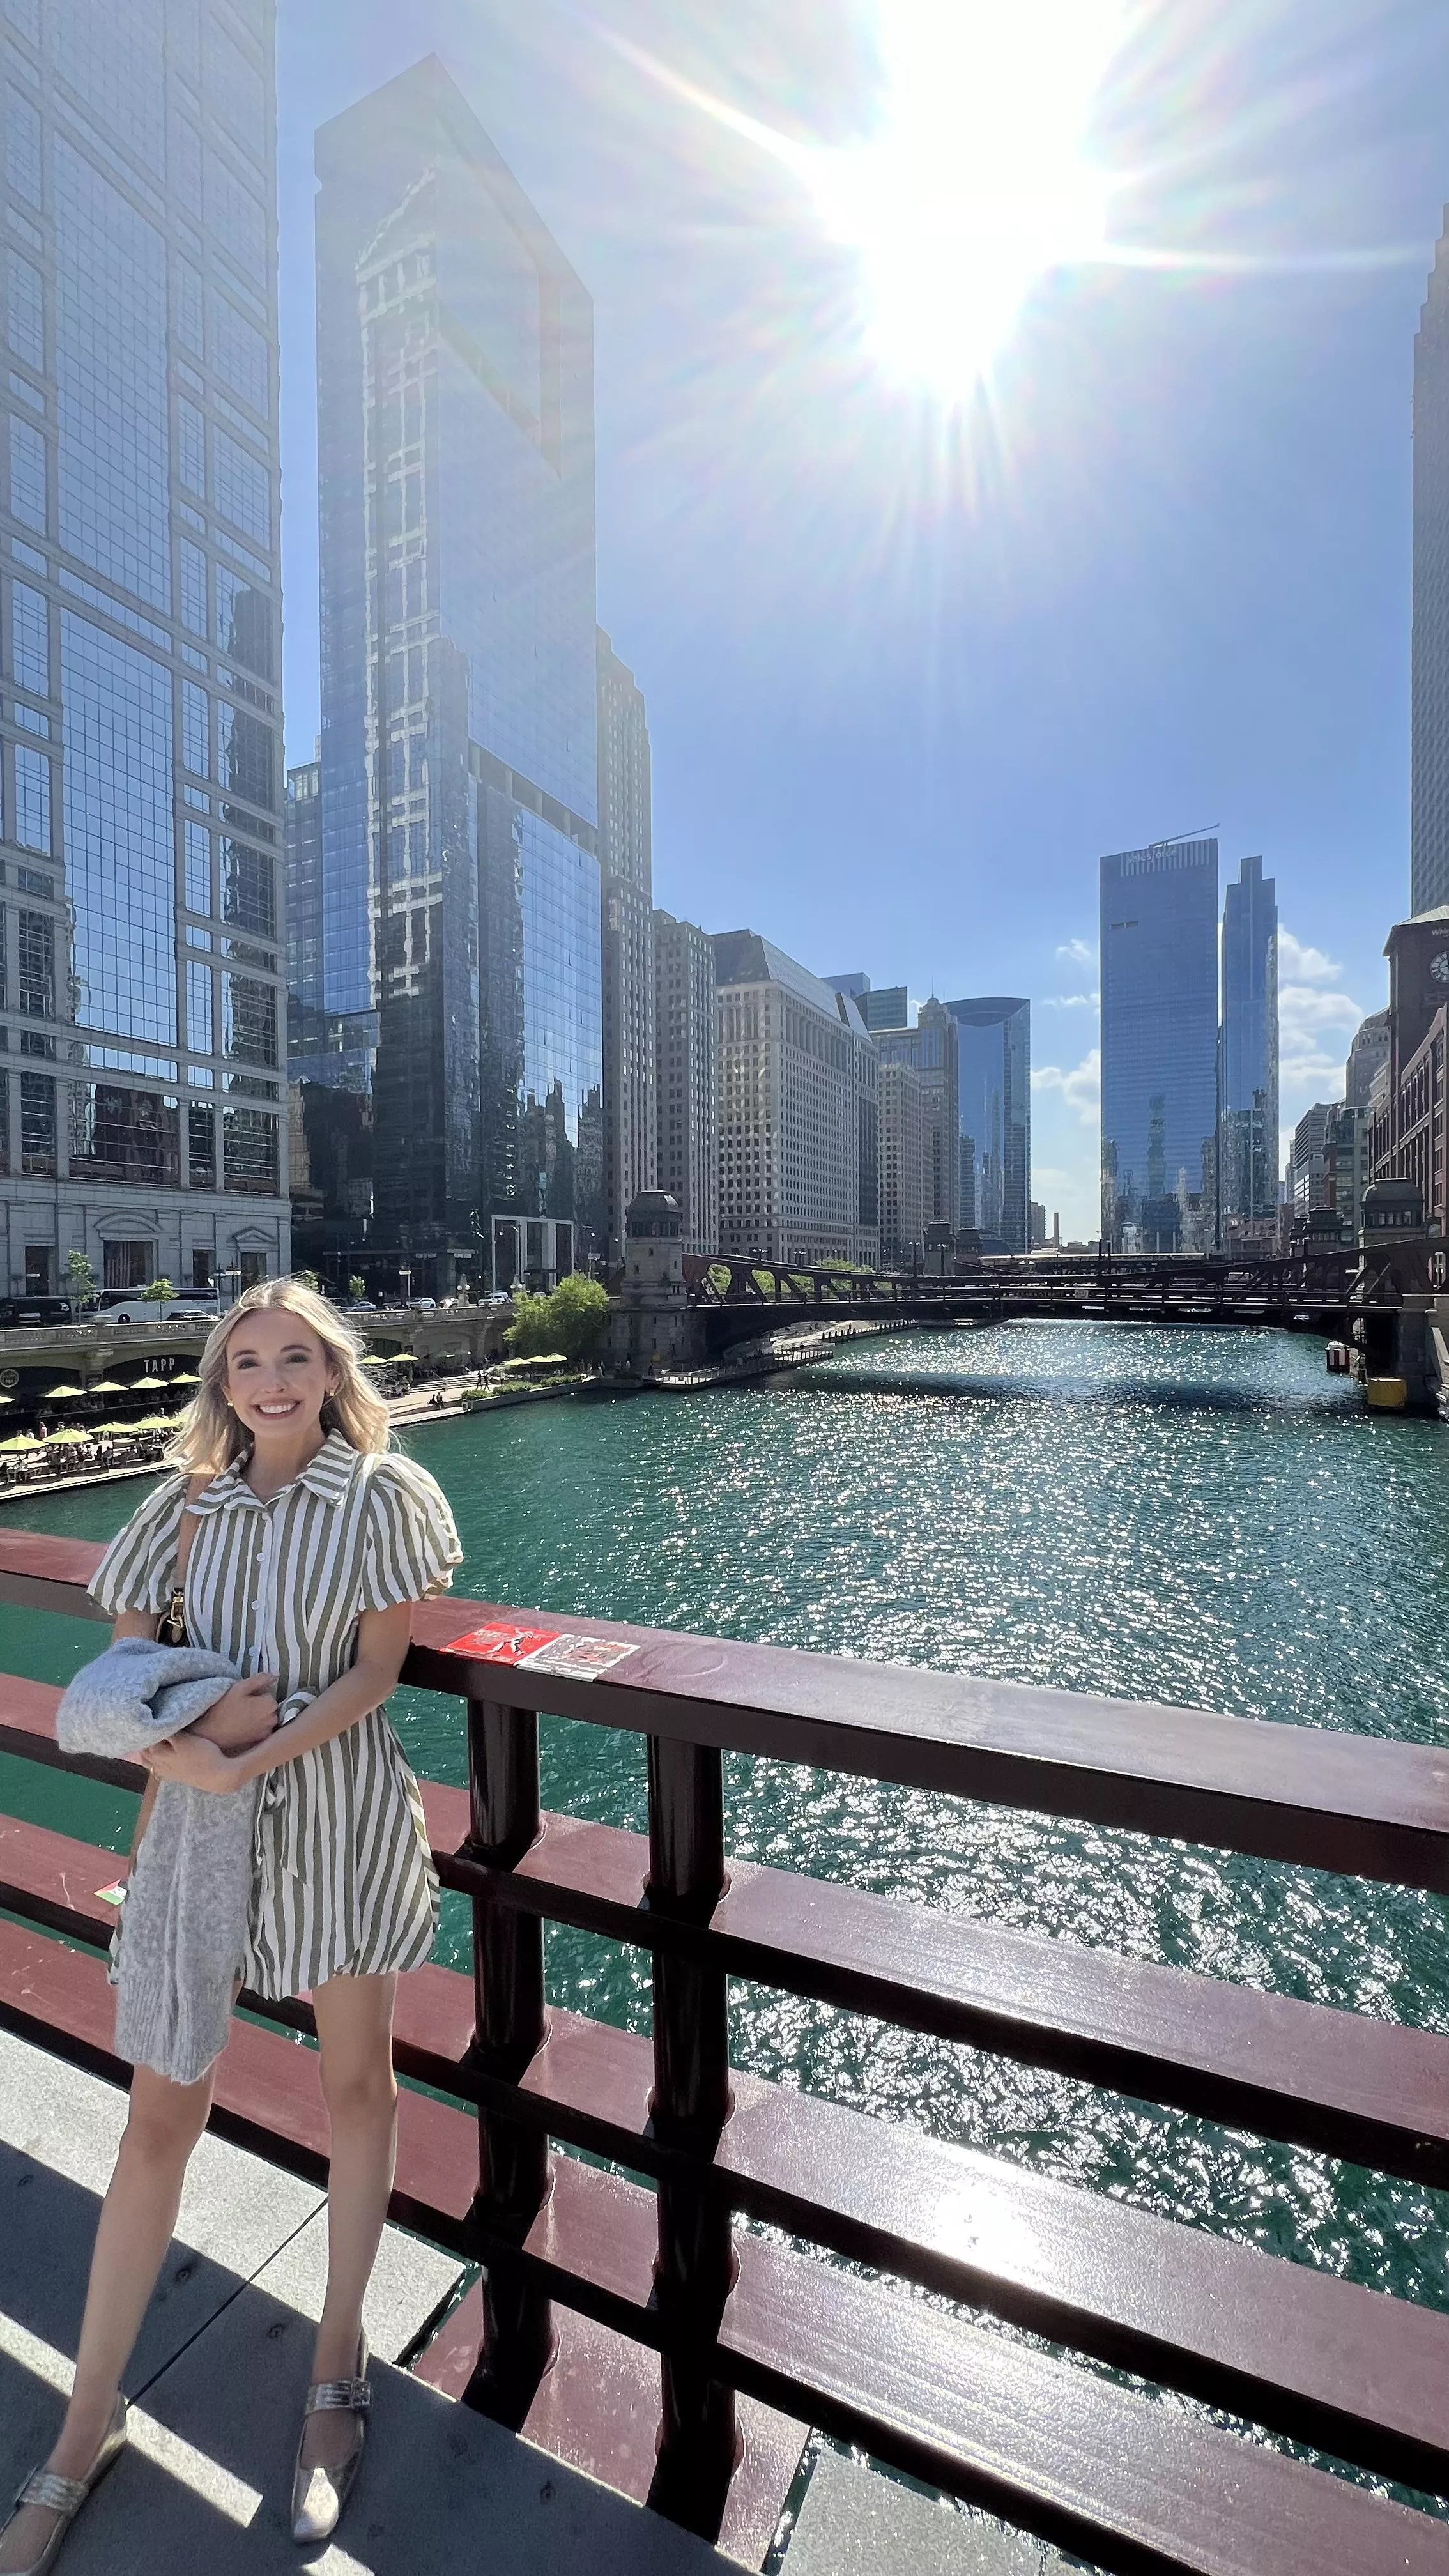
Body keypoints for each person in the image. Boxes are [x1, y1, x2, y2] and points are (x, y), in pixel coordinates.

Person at [0, 1278, 461, 2573]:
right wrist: (196, 1756)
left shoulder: (383, 1496)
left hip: (335, 1818)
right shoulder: (180, 1507)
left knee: (356, 2089)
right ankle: (86, 2422)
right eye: (247, 1360)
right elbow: (122, 1678)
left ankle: (336, 2367)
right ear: (222, 1382)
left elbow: (377, 1672)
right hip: (196, 1831)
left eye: (295, 1356)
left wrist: (245, 1758)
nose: (271, 1381)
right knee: (158, 2117)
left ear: (333, 1371)